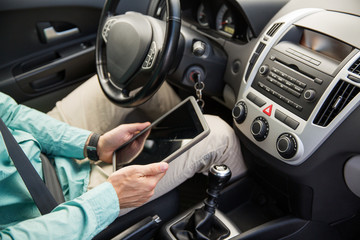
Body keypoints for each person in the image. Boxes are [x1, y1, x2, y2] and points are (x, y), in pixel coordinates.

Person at [0, 75, 246, 239]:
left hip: (36, 150)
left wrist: (93, 144)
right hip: (58, 203)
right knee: (218, 135)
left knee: (132, 79)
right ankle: (250, 206)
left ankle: (180, 135)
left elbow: (8, 115)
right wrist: (109, 199)